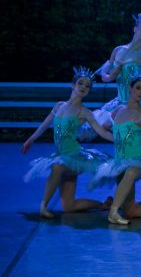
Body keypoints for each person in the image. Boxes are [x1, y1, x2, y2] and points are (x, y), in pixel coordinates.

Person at [22, 67, 115, 218]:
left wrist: (119, 140)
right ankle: (103, 205)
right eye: (81, 83)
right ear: (73, 85)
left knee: (57, 167)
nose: (84, 87)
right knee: (69, 206)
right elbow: (45, 125)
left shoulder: (84, 112)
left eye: (87, 86)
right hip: (60, 154)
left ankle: (43, 206)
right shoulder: (59, 105)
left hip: (74, 157)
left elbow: (102, 132)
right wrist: (30, 139)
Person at [89, 73, 141, 225]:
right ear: (130, 88)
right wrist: (108, 134)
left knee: (131, 172)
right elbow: (105, 131)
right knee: (130, 211)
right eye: (138, 88)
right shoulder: (118, 110)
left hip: (139, 161)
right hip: (119, 161)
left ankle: (113, 212)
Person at [97, 14, 141, 116]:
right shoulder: (118, 50)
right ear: (135, 29)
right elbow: (105, 76)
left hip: (137, 104)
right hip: (120, 102)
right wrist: (110, 76)